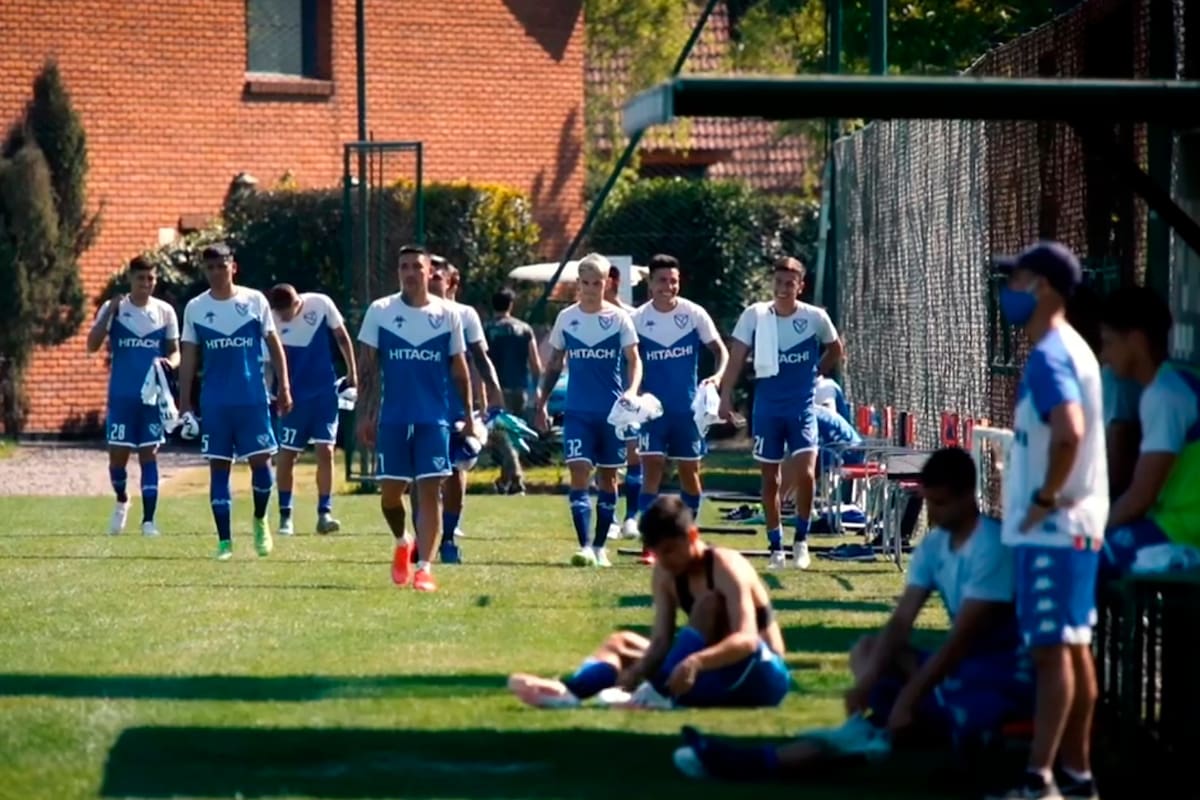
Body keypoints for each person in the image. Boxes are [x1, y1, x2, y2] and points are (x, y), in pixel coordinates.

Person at [674, 447, 1033, 781]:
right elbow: (899, 623)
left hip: (1001, 675)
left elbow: (962, 639)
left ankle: (761, 761)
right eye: (929, 503)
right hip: (961, 669)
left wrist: (908, 698)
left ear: (968, 496)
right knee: (868, 649)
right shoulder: (935, 546)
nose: (933, 514)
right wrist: (866, 682)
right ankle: (866, 731)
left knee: (877, 726)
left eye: (940, 504)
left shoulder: (991, 548)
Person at [991, 241, 1107, 800]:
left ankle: (1040, 778)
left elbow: (1069, 432)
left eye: (1018, 280)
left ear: (1045, 289)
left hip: (1055, 528)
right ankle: (1078, 776)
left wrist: (1042, 498)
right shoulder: (1072, 349)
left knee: (1050, 650)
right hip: (1077, 525)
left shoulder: (1051, 355)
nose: (1008, 291)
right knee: (1073, 645)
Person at [507, 494, 791, 710]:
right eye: (658, 553)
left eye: (670, 550)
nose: (665, 560)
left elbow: (748, 640)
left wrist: (694, 661)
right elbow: (661, 643)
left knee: (708, 605)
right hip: (712, 669)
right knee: (621, 643)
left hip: (761, 675)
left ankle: (656, 694)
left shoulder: (726, 565)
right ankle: (569, 692)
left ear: (692, 536)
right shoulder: (666, 573)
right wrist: (635, 674)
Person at [355, 245, 472, 593]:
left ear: (428, 272)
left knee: (430, 490)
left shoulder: (447, 315)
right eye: (403, 266)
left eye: (416, 267)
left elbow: (459, 367)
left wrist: (467, 414)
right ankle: (401, 541)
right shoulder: (380, 311)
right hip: (392, 418)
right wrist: (366, 413)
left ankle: (424, 568)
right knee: (390, 495)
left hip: (434, 419)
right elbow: (368, 368)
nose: (409, 272)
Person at [719, 256, 844, 570]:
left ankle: (801, 541)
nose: (783, 289)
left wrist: (817, 372)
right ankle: (776, 547)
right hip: (768, 409)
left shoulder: (814, 317)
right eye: (778, 282)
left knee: (806, 473)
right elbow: (736, 358)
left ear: (800, 286)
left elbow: (836, 348)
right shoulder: (756, 316)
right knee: (770, 479)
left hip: (801, 407)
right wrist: (725, 395)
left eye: (790, 283)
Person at [178, 243, 293, 560]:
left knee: (262, 464)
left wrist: (284, 386)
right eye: (210, 267)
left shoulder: (254, 300)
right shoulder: (196, 308)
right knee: (219, 468)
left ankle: (260, 519)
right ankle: (224, 542)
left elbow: (274, 343)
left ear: (233, 267)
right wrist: (184, 401)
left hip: (252, 398)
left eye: (221, 266)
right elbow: (189, 356)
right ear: (205, 271)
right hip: (215, 402)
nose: (216, 272)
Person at [533, 253, 641, 566]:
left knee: (609, 480)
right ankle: (584, 546)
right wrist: (541, 402)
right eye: (586, 282)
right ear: (578, 284)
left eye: (597, 282)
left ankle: (600, 547)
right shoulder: (567, 318)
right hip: (578, 412)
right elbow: (554, 364)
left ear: (607, 283)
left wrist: (632, 392)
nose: (592, 288)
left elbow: (635, 360)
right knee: (579, 472)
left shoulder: (619, 319)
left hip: (611, 414)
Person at [630, 254, 729, 562]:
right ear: (650, 283)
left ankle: (689, 538)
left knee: (690, 472)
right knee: (652, 471)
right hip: (653, 413)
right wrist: (635, 392)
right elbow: (628, 359)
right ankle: (650, 546)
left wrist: (717, 377)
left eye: (673, 280)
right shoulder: (637, 319)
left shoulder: (693, 313)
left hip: (687, 412)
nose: (668, 286)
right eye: (662, 280)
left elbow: (720, 350)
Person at [1099, 286, 1200, 578]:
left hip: (1186, 528)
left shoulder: (1164, 396)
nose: (1104, 356)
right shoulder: (1180, 381)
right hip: (1176, 522)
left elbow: (1140, 497)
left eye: (1109, 342)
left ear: (1136, 341)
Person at [86, 256, 180, 536]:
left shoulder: (164, 312)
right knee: (118, 458)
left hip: (151, 399)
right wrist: (108, 313)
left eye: (151, 279)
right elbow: (92, 345)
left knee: (149, 454)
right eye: (141, 279)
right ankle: (122, 500)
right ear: (131, 279)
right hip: (121, 396)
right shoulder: (115, 308)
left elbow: (175, 352)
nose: (147, 284)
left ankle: (149, 520)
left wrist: (168, 364)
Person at [426, 257, 503, 562]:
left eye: (436, 276)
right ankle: (424, 537)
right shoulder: (408, 312)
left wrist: (493, 393)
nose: (430, 280)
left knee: (456, 469)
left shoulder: (464, 314)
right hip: (422, 402)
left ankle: (447, 538)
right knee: (424, 474)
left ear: (452, 282)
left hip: (456, 405)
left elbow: (479, 358)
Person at [266, 284, 357, 536]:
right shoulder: (271, 320)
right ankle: (286, 515)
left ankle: (324, 513)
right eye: (280, 312)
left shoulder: (320, 303)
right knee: (287, 455)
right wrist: (271, 394)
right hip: (292, 399)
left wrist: (352, 372)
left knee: (326, 450)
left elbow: (341, 335)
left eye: (289, 310)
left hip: (324, 395)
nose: (286, 316)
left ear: (298, 302)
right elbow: (269, 363)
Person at [484, 287, 542, 495]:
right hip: (519, 389)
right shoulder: (524, 329)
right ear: (511, 304)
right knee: (511, 435)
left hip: (495, 390)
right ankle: (504, 480)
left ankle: (516, 478)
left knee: (504, 436)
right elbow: (535, 364)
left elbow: (481, 360)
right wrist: (538, 389)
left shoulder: (488, 329)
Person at [606, 263, 643, 539]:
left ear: (614, 282)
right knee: (604, 463)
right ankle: (611, 519)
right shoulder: (581, 317)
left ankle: (632, 517)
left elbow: (639, 360)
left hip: (629, 401)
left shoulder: (632, 317)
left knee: (633, 457)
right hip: (599, 401)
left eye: (601, 279)